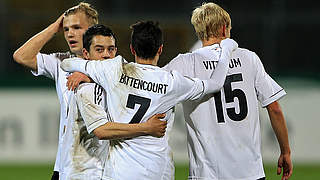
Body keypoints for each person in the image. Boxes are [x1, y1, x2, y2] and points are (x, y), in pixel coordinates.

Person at [60, 21, 238, 180]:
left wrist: (90, 73)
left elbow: (66, 64)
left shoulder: (113, 70)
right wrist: (227, 49)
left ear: (132, 49)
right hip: (158, 170)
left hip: (120, 171)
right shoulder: (173, 82)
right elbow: (215, 84)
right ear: (160, 49)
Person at [13, 3, 165, 179]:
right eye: (66, 29)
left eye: (77, 27)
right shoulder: (61, 62)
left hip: (102, 165)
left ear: (93, 30)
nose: (70, 33)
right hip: (66, 164)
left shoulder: (115, 65)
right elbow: (21, 56)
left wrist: (90, 76)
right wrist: (55, 27)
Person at [163, 2, 293, 180]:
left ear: (198, 31)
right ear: (225, 29)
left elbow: (153, 88)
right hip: (249, 173)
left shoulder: (185, 63)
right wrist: (285, 152)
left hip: (206, 174)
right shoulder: (249, 58)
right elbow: (274, 108)